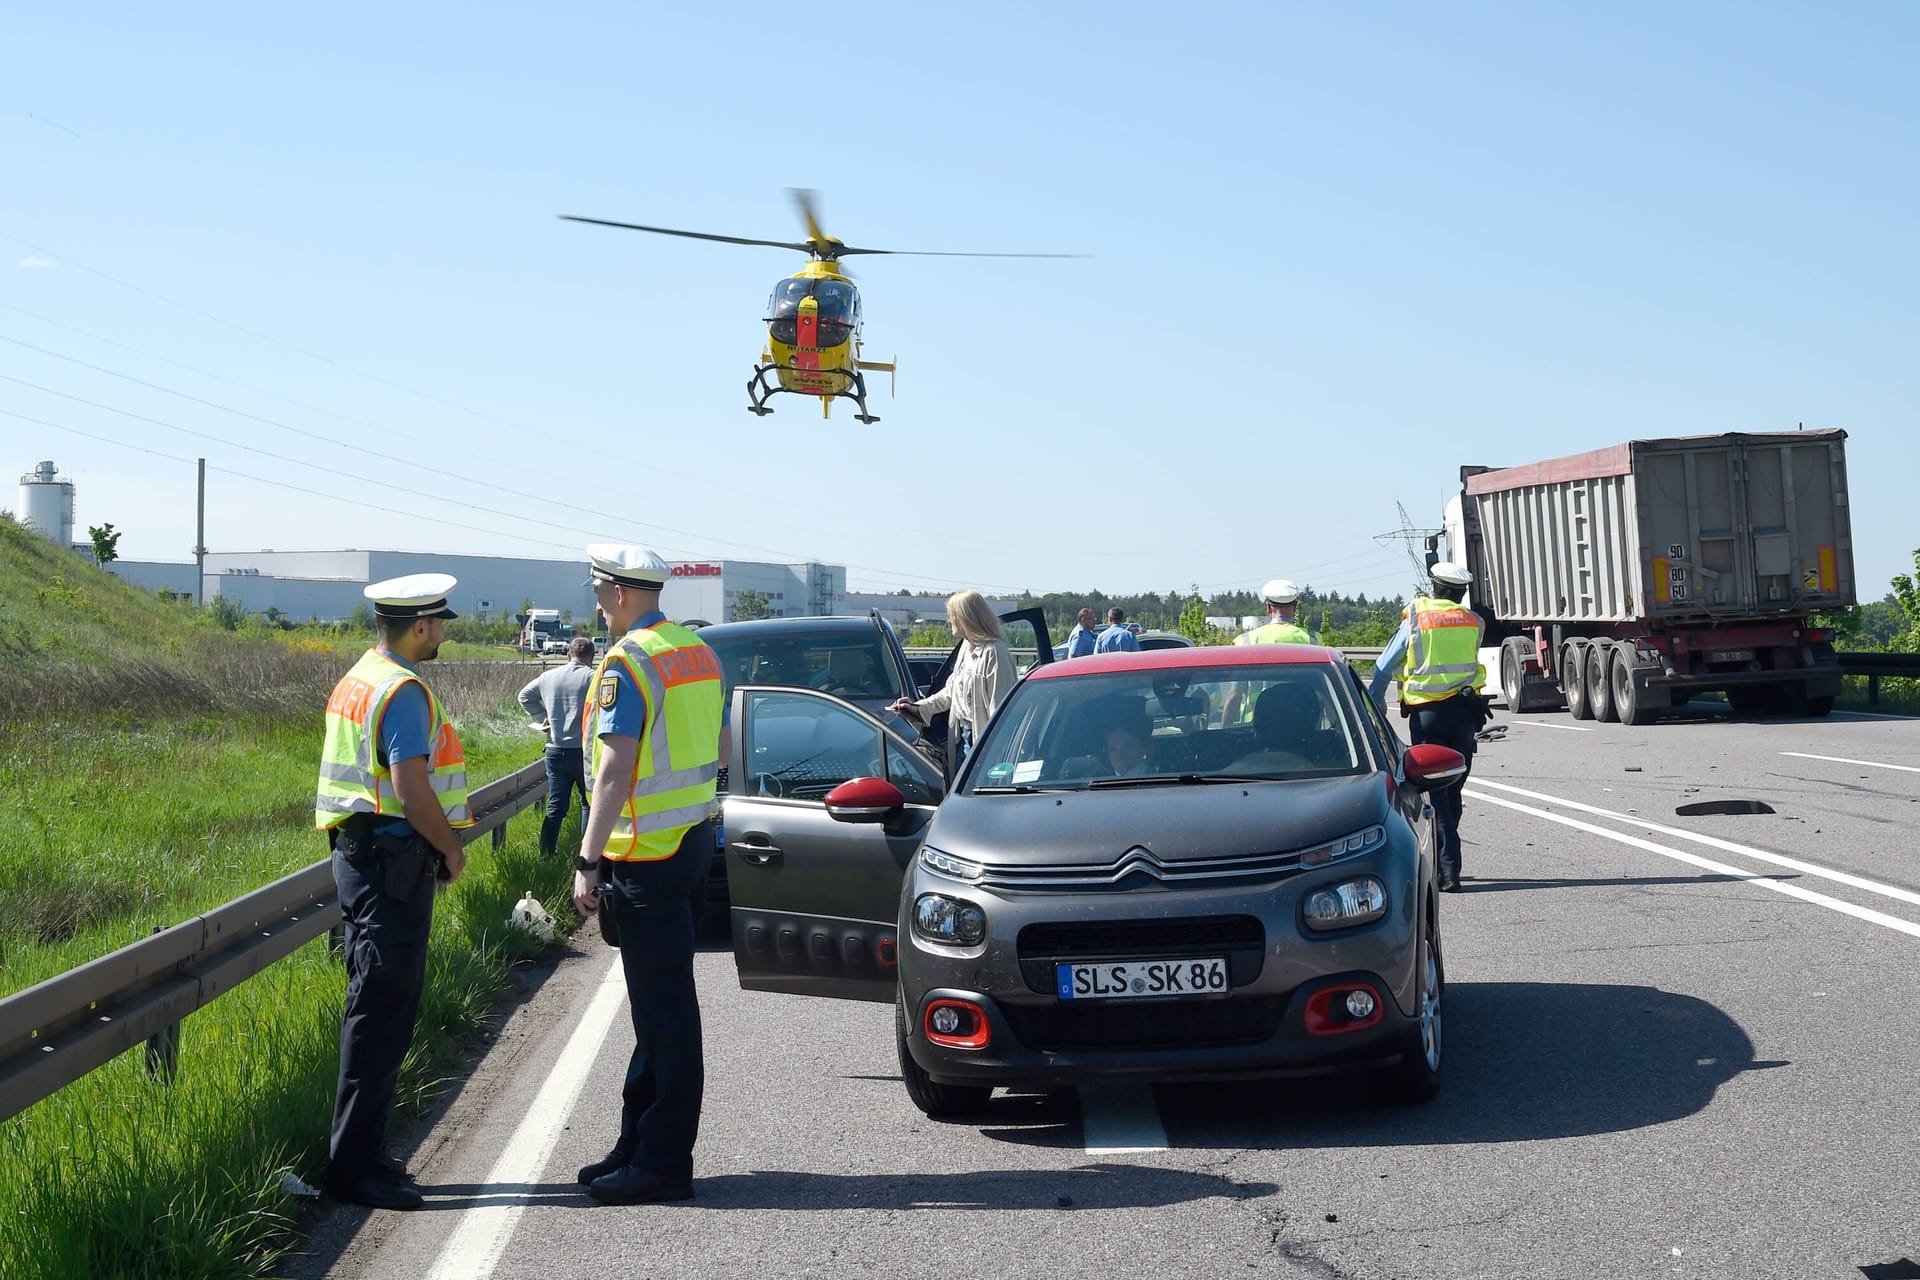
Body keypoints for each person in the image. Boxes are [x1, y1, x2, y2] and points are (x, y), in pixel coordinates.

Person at [572, 544, 729, 1205]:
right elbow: (721, 744)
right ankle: (637, 1140)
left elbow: (614, 770)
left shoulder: (626, 663)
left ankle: (664, 1161)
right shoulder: (696, 650)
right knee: (655, 1011)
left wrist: (587, 859)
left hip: (648, 859)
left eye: (597, 588)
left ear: (618, 592)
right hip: (688, 845)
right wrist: (708, 808)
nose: (595, 599)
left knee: (665, 1014)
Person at [313, 573, 472, 1211]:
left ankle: (365, 1155)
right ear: (421, 626)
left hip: (362, 861)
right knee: (381, 1014)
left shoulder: (359, 677)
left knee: (374, 1008)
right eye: (440, 624)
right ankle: (354, 1172)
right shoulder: (403, 691)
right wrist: (452, 847)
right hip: (391, 865)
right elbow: (410, 788)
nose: (441, 634)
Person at [1369, 562, 1487, 892]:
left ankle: (1447, 871)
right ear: (1461, 592)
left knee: (1434, 792)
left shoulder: (1418, 616)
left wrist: (1377, 703)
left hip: (1428, 715)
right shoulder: (1474, 622)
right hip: (1464, 713)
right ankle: (1445, 864)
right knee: (1453, 787)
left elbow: (1383, 667)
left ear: (1433, 587)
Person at [888, 588, 1013, 772]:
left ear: (966, 617)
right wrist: (917, 708)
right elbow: (951, 691)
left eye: (952, 615)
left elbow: (999, 708)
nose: (949, 620)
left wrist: (994, 752)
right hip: (962, 738)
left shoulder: (994, 652)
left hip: (983, 742)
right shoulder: (966, 646)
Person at [518, 636, 598, 858]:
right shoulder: (593, 677)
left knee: (556, 806)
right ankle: (585, 855)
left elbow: (524, 696)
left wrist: (542, 716)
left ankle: (546, 855)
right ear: (592, 657)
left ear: (568, 655)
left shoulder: (549, 676)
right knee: (588, 804)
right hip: (584, 751)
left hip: (554, 750)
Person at [1222, 578, 1319, 725]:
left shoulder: (1246, 641)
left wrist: (1224, 731)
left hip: (1254, 725)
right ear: (1295, 607)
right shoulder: (1313, 640)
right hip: (1303, 725)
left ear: (1268, 608)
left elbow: (1235, 694)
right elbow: (1322, 692)